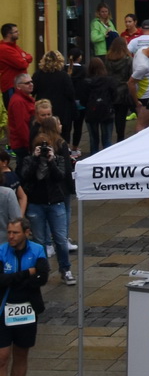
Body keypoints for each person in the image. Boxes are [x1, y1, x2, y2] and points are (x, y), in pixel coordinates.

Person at [16, 122, 75, 285]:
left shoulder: (58, 159)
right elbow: (25, 177)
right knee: (39, 240)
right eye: (40, 148)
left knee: (61, 239)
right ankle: (43, 270)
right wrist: (35, 160)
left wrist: (51, 161)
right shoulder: (29, 160)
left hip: (55, 203)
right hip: (36, 204)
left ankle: (65, 269)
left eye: (46, 147)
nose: (43, 151)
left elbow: (59, 177)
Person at [0, 218, 48, 376]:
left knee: (21, 354)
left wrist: (14, 279)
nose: (11, 236)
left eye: (15, 233)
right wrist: (27, 273)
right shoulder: (2, 251)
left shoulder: (37, 250)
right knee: (2, 357)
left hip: (27, 310)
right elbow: (1, 281)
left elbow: (42, 278)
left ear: (26, 233)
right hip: (3, 310)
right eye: (9, 232)